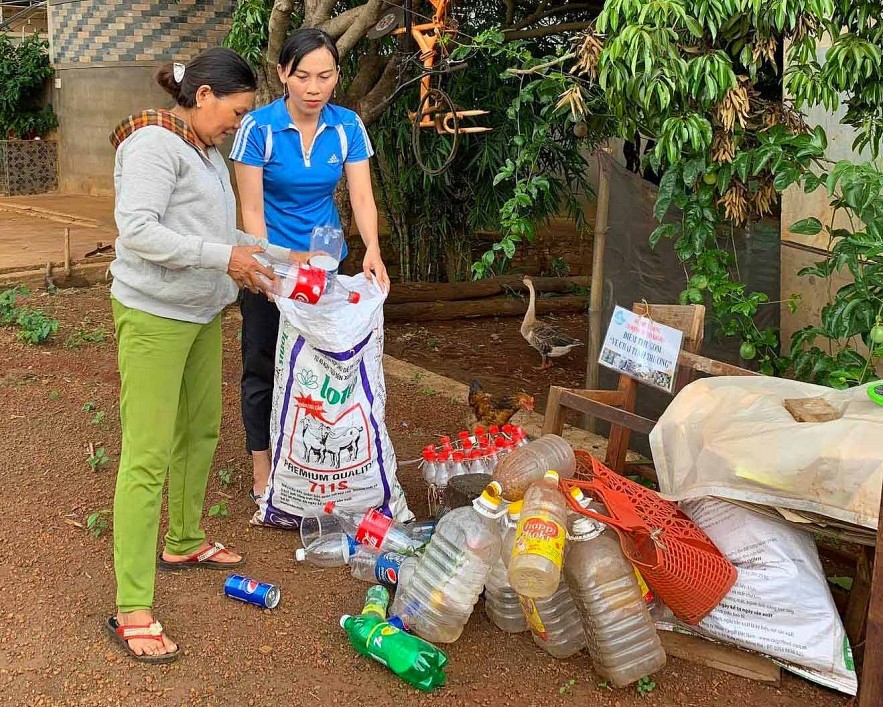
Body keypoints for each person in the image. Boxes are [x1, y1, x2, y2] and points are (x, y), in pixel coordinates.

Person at [106, 47, 295, 663]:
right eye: (236, 112)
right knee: (147, 454)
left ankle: (183, 539)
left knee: (201, 430)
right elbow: (137, 230)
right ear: (205, 95)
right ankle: (133, 604)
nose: (238, 123)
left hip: (200, 312)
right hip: (154, 315)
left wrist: (283, 260)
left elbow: (220, 237)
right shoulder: (153, 145)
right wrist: (226, 260)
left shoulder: (204, 151)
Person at [230, 28, 390, 503]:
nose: (314, 88)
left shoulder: (347, 126)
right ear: (282, 74)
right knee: (262, 362)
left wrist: (373, 249)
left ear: (337, 77)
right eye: (302, 76)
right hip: (269, 267)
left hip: (324, 266)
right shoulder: (257, 128)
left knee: (319, 365)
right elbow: (252, 211)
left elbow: (361, 195)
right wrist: (268, 264)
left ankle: (314, 463)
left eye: (325, 76)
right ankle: (263, 467)